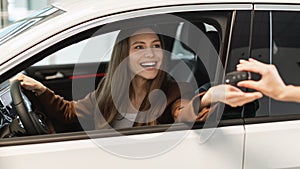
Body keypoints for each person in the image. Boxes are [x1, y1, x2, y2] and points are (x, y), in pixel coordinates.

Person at [11, 26, 262, 130]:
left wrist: (209, 97)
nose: (151, 53)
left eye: (156, 45)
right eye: (139, 47)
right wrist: (41, 90)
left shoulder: (175, 88)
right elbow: (70, 112)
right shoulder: (110, 90)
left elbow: (185, 113)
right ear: (125, 56)